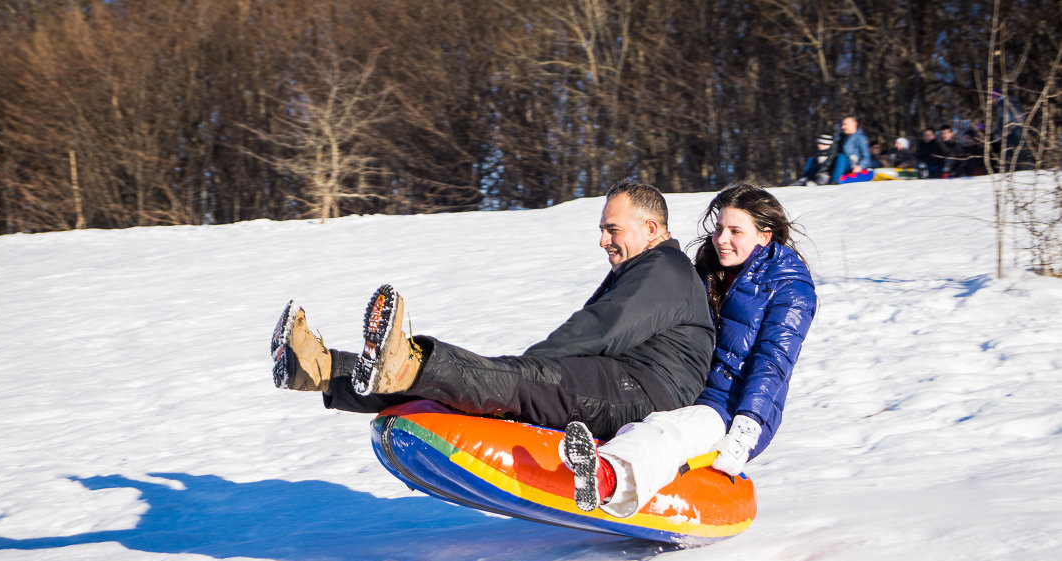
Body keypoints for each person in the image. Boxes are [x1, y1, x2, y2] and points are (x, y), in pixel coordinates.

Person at [270, 181, 715, 439]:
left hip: (647, 394)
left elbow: (601, 328)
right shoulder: (648, 268)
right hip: (623, 382)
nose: (602, 240)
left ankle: (402, 364)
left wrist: (527, 366)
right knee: (487, 381)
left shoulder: (667, 269)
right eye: (601, 229)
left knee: (511, 379)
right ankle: (323, 369)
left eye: (612, 228)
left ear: (651, 227)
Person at [561, 184, 817, 516]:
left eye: (735, 231)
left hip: (731, 405)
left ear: (764, 237)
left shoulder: (791, 290)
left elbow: (772, 363)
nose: (721, 239)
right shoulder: (707, 272)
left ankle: (605, 478)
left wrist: (747, 425)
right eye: (719, 229)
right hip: (685, 385)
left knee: (672, 430)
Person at [831, 116, 877, 183]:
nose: (842, 127)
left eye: (845, 125)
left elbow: (866, 157)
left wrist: (860, 167)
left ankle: (835, 181)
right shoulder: (843, 138)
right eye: (842, 125)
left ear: (854, 124)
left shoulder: (860, 138)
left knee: (841, 157)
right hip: (847, 166)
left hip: (856, 167)